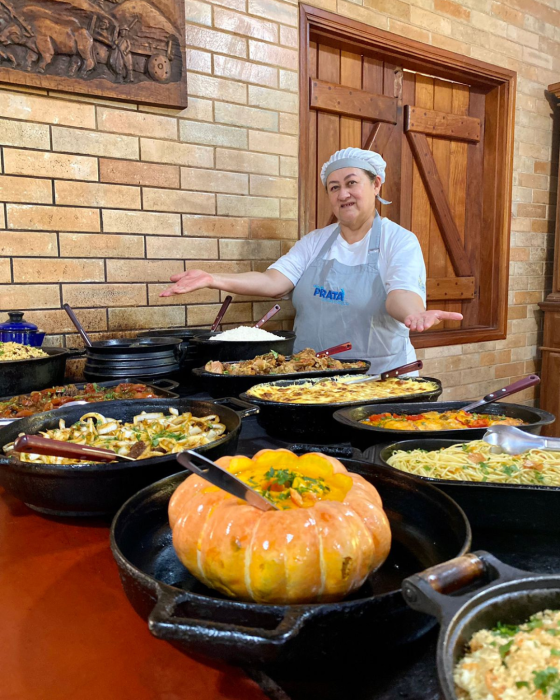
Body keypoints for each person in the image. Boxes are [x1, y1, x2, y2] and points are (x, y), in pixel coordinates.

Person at [160, 148, 463, 373]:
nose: (343, 193)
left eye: (351, 183)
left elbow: (401, 295)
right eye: (334, 187)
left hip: (379, 380)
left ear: (376, 184)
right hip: (314, 376)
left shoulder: (399, 241)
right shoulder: (317, 241)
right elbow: (273, 281)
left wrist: (414, 314)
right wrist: (214, 279)